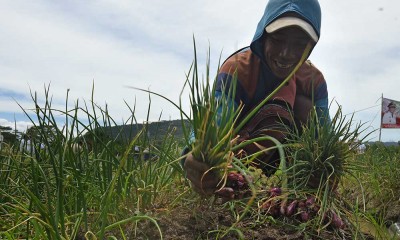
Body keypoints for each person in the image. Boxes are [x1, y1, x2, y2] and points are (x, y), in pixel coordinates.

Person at [183, 0, 330, 197]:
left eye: (300, 44)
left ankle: (298, 184)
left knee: (304, 104)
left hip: (279, 158)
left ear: (311, 45)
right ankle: (232, 181)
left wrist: (325, 167)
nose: (286, 54)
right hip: (235, 160)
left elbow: (324, 139)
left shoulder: (313, 81)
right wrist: (197, 156)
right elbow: (213, 126)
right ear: (263, 36)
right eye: (277, 39)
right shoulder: (238, 69)